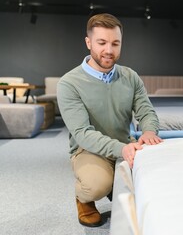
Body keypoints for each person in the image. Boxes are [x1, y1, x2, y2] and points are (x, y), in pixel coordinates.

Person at [57, 13, 163, 227]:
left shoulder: (130, 76)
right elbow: (83, 134)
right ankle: (83, 198)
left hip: (125, 145)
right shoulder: (69, 83)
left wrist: (149, 132)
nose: (109, 50)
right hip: (88, 149)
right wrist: (122, 149)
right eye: (102, 42)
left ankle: (115, 184)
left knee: (156, 181)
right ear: (88, 42)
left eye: (115, 43)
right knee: (97, 185)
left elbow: (146, 112)